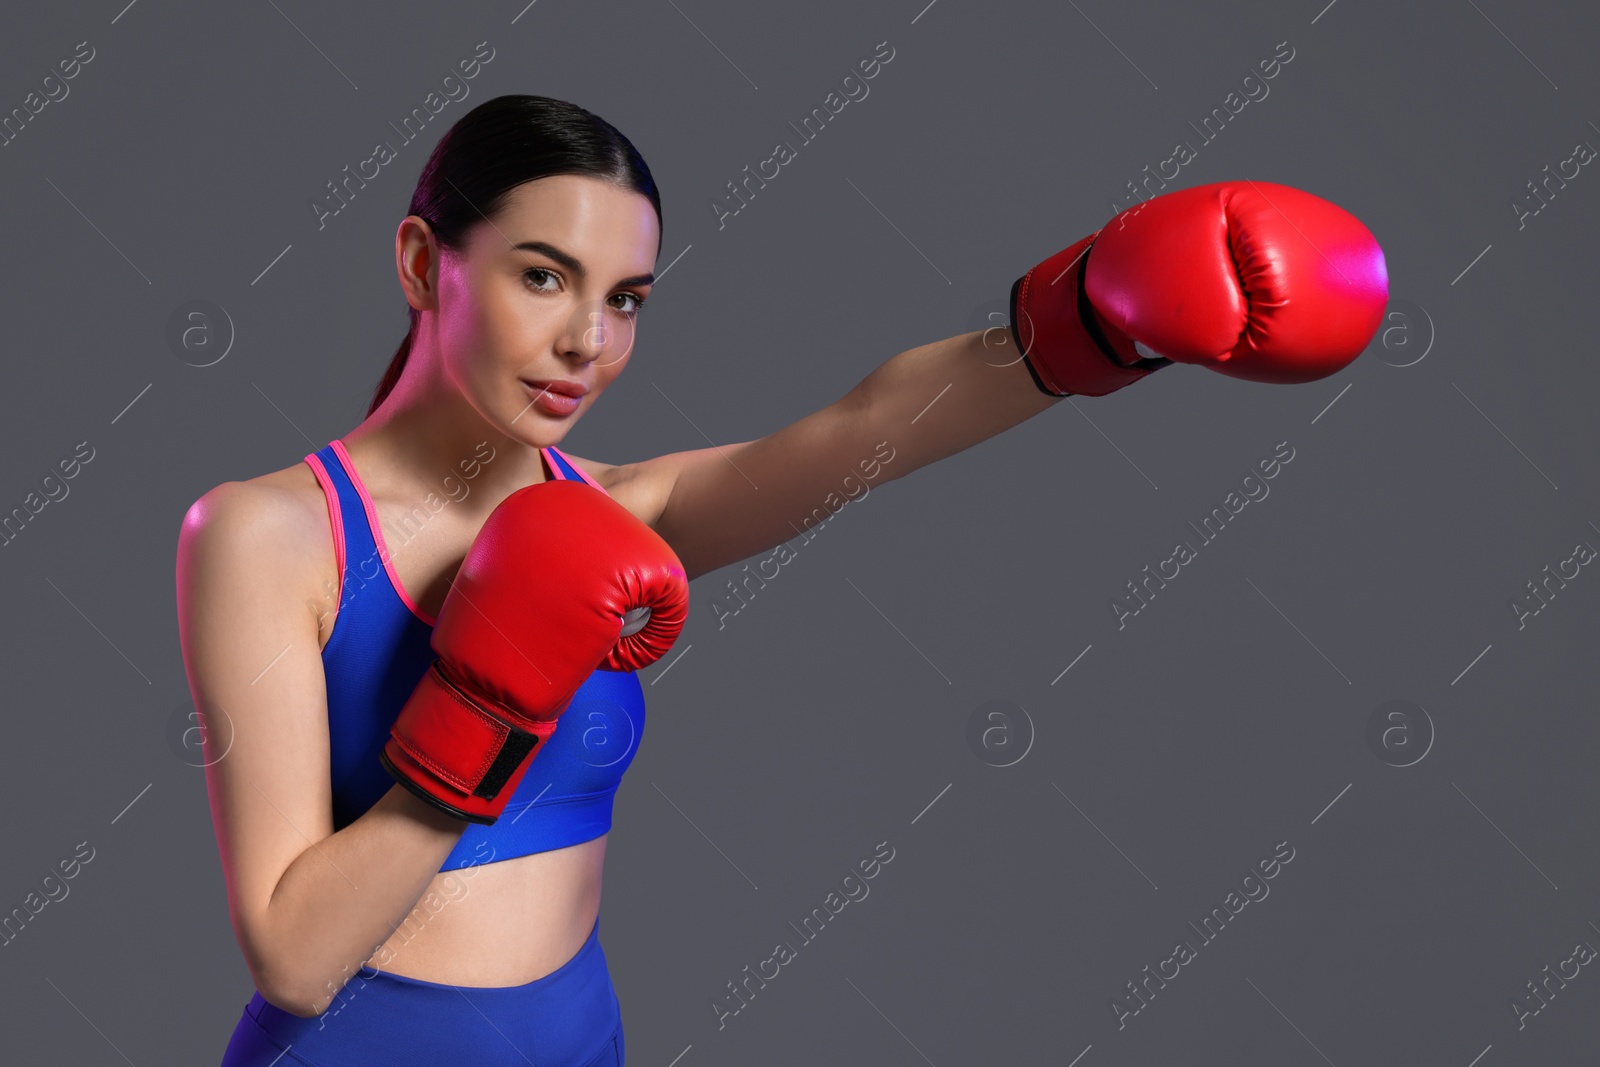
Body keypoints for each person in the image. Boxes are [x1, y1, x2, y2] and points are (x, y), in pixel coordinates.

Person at [175, 94, 1387, 1067]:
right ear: (422, 261)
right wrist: (483, 713)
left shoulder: (611, 507)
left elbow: (861, 430)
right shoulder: (269, 534)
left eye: (626, 299)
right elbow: (292, 952)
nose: (586, 341)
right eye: (542, 277)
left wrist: (1083, 322)